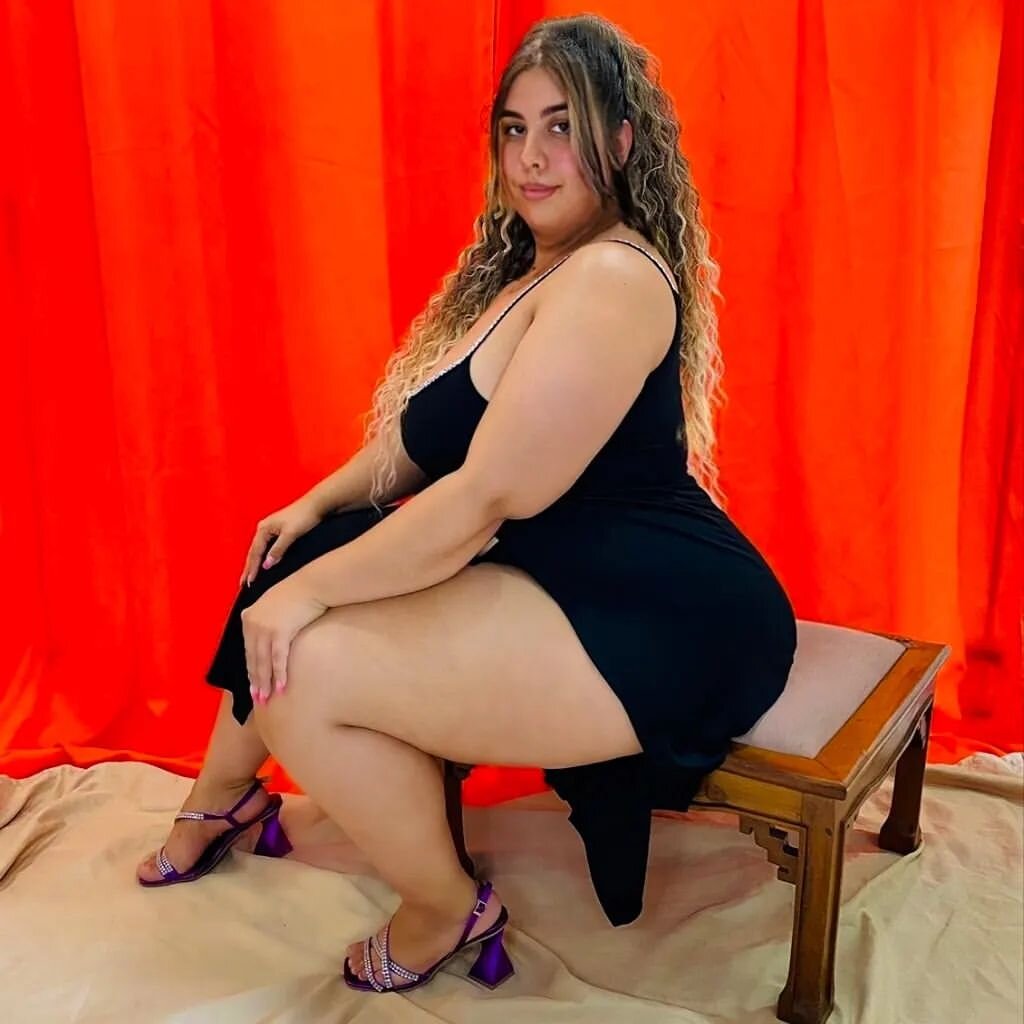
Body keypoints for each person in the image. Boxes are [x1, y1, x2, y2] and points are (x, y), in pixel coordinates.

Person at [136, 12, 797, 995]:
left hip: (667, 616)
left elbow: (485, 495)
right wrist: (311, 508)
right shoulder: (531, 273)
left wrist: (306, 598)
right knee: (294, 553)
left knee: (296, 664)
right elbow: (415, 451)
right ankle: (223, 797)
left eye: (563, 127)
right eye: (515, 129)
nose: (531, 157)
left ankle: (445, 906)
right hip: (566, 571)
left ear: (621, 142)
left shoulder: (610, 277)